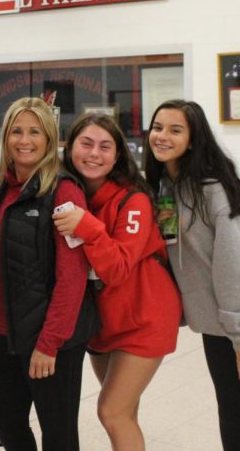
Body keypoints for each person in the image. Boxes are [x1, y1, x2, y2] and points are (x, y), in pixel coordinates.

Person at [144, 99, 240, 451]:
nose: (163, 136)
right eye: (158, 127)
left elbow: (235, 263)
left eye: (175, 130)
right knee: (230, 412)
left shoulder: (212, 189)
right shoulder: (165, 186)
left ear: (193, 140)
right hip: (216, 322)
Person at [0, 97, 97, 451]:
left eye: (34, 132)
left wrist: (49, 343)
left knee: (58, 434)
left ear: (49, 138)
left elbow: (73, 278)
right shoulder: (0, 190)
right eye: (16, 131)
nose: (24, 140)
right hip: (5, 331)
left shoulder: (64, 191)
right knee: (0, 414)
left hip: (50, 337)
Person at [53, 112, 181, 451]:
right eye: (86, 143)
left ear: (118, 155)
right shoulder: (71, 194)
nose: (94, 154)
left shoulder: (133, 200)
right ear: (70, 148)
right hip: (102, 322)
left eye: (105, 147)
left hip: (144, 320)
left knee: (111, 412)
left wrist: (87, 226)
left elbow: (118, 268)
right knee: (125, 413)